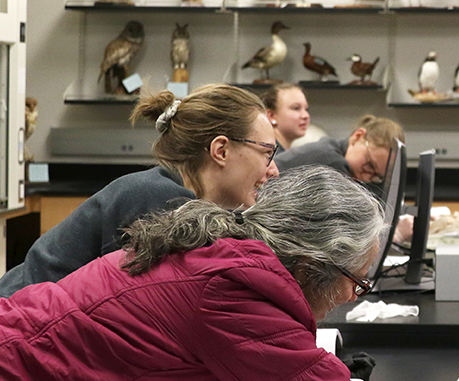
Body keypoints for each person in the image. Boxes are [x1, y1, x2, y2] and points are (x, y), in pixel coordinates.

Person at [0, 165, 382, 380]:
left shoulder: (228, 253)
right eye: (357, 282)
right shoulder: (234, 289)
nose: (353, 296)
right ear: (312, 265)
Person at [0, 84, 279, 298]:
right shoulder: (157, 202)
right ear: (221, 150)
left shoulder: (177, 198)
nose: (273, 170)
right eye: (267, 153)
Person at [274, 114, 404, 183]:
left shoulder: (331, 149)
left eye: (376, 176)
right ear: (357, 136)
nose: (366, 177)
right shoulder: (332, 162)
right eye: (370, 164)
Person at [262, 82, 311, 153]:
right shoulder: (269, 156)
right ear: (271, 115)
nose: (306, 115)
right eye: (296, 108)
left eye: (306, 109)